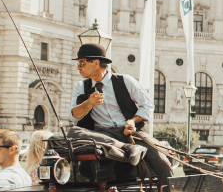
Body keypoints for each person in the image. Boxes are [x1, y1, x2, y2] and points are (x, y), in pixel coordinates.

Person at [68, 44, 173, 180]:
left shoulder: (125, 81)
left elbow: (147, 105)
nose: (78, 68)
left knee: (162, 163)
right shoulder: (81, 87)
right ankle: (128, 148)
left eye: (81, 63)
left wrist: (132, 121)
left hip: (129, 133)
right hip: (101, 135)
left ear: (96, 63)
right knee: (73, 131)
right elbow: (72, 116)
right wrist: (89, 103)